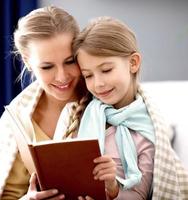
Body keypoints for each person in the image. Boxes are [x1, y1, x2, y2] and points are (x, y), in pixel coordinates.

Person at [0, 6, 88, 200]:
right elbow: (3, 194)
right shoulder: (19, 117)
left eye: (70, 61)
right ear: (27, 61)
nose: (62, 76)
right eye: (47, 66)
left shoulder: (107, 100)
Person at [57, 16, 188, 199]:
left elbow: (140, 195)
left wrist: (112, 188)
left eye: (106, 70)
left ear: (133, 63)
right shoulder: (74, 116)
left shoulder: (148, 131)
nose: (98, 84)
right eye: (88, 75)